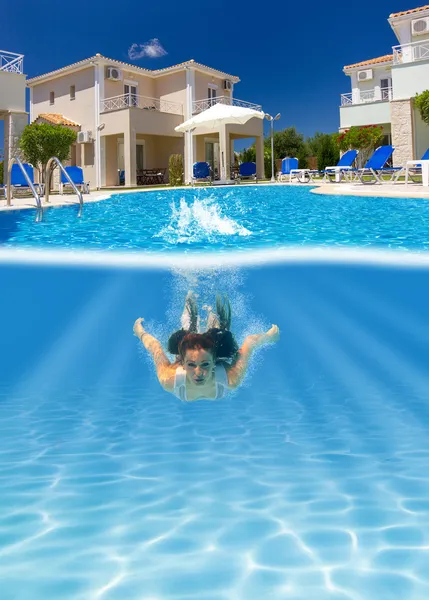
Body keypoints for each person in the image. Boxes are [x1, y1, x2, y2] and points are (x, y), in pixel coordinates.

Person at [133, 291, 280, 402]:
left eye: (205, 364)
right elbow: (155, 348)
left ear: (214, 361)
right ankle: (193, 305)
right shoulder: (170, 379)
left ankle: (207, 326)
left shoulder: (230, 378)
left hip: (211, 353)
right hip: (189, 354)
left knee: (213, 330)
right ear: (182, 363)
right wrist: (140, 332)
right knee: (190, 328)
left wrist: (268, 337)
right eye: (191, 364)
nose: (198, 372)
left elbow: (250, 342)